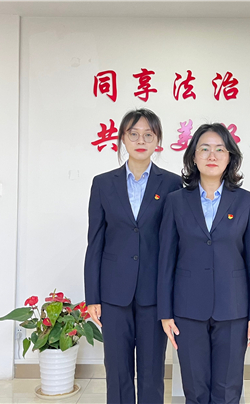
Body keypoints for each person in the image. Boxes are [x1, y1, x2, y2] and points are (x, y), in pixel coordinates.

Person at [157, 123, 250, 404]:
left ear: (230, 157)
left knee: (228, 390)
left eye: (220, 149)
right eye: (204, 149)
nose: (212, 155)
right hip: (187, 310)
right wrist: (165, 312)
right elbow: (166, 260)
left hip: (233, 309)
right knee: (194, 389)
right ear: (193, 156)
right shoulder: (175, 201)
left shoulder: (247, 202)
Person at [84, 108, 183, 404]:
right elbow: (95, 242)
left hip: (154, 294)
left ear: (158, 141)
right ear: (122, 139)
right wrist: (93, 296)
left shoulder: (172, 184)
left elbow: (175, 244)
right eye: (134, 134)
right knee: (117, 370)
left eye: (148, 135)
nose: (141, 141)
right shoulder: (103, 183)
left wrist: (172, 297)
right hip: (114, 293)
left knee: (152, 371)